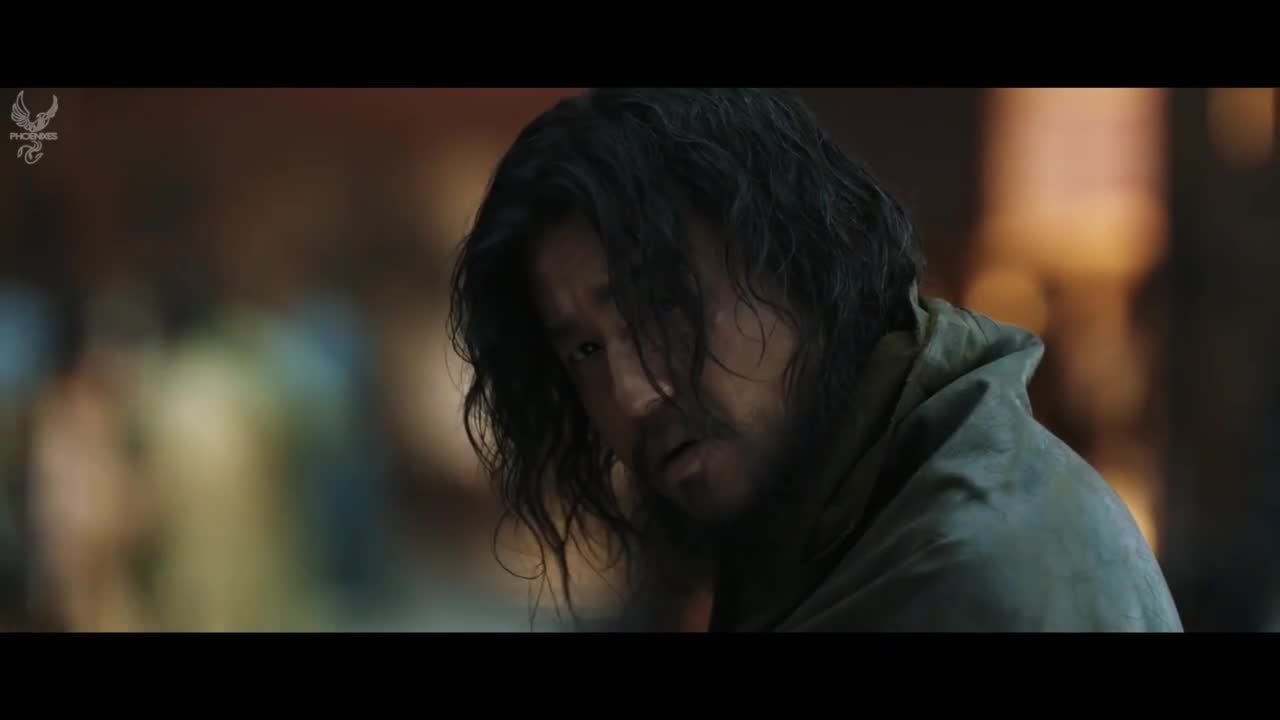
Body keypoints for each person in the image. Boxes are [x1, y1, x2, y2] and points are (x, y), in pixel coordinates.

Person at [446, 87, 1184, 632]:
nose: (632, 393)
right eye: (584, 349)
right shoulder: (847, 529)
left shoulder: (982, 574)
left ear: (797, 263)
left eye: (661, 307)